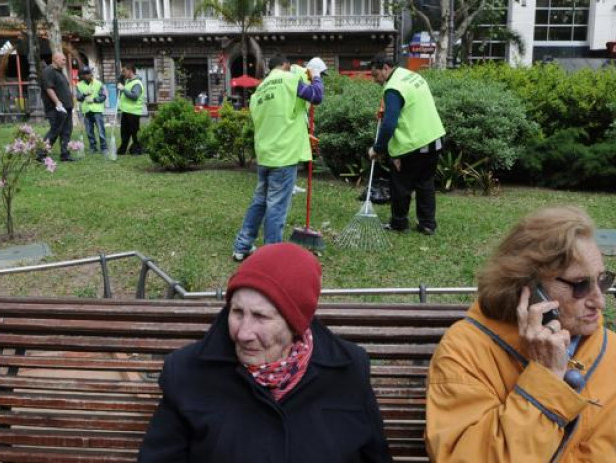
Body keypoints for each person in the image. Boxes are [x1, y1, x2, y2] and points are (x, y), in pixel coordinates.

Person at [425, 206, 616, 461]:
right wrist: (544, 381)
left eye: (603, 280)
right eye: (580, 285)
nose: (600, 301)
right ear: (528, 286)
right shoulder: (465, 352)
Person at [138, 243, 393, 462]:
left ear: (295, 324)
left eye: (261, 316)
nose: (243, 333)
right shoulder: (188, 373)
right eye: (237, 313)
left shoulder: (347, 372)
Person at [231, 55, 326, 262]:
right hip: (283, 157)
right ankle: (270, 256)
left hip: (265, 155)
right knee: (276, 207)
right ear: (285, 65)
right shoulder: (289, 80)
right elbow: (317, 96)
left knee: (259, 202)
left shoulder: (260, 90)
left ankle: (242, 246)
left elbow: (274, 119)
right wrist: (317, 75)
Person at [367, 53, 445, 236]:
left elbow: (389, 124)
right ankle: (427, 224)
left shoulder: (393, 88)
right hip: (435, 137)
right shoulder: (411, 75)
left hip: (414, 142)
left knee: (400, 184)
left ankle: (399, 223)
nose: (374, 80)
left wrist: (378, 149)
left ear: (386, 68)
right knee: (425, 182)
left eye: (375, 75)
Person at [40, 52, 75, 162]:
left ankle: (65, 154)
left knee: (66, 131)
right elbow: (48, 88)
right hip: (56, 108)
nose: (65, 62)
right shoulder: (48, 71)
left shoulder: (60, 72)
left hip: (67, 108)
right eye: (63, 60)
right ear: (55, 59)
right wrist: (57, 102)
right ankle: (40, 153)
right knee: (55, 131)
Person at [75, 66, 108, 154]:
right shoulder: (79, 85)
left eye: (89, 73)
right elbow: (78, 98)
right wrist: (84, 94)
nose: (88, 75)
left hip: (97, 111)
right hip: (86, 111)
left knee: (101, 130)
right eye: (85, 74)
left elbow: (103, 96)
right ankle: (93, 147)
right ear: (83, 76)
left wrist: (94, 100)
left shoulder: (98, 83)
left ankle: (104, 147)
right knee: (89, 131)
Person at [116, 63, 145, 155]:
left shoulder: (137, 83)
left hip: (133, 112)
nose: (123, 73)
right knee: (124, 133)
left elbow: (134, 96)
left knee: (135, 133)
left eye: (124, 71)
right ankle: (122, 149)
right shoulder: (128, 81)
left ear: (130, 71)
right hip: (126, 111)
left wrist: (123, 89)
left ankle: (138, 149)